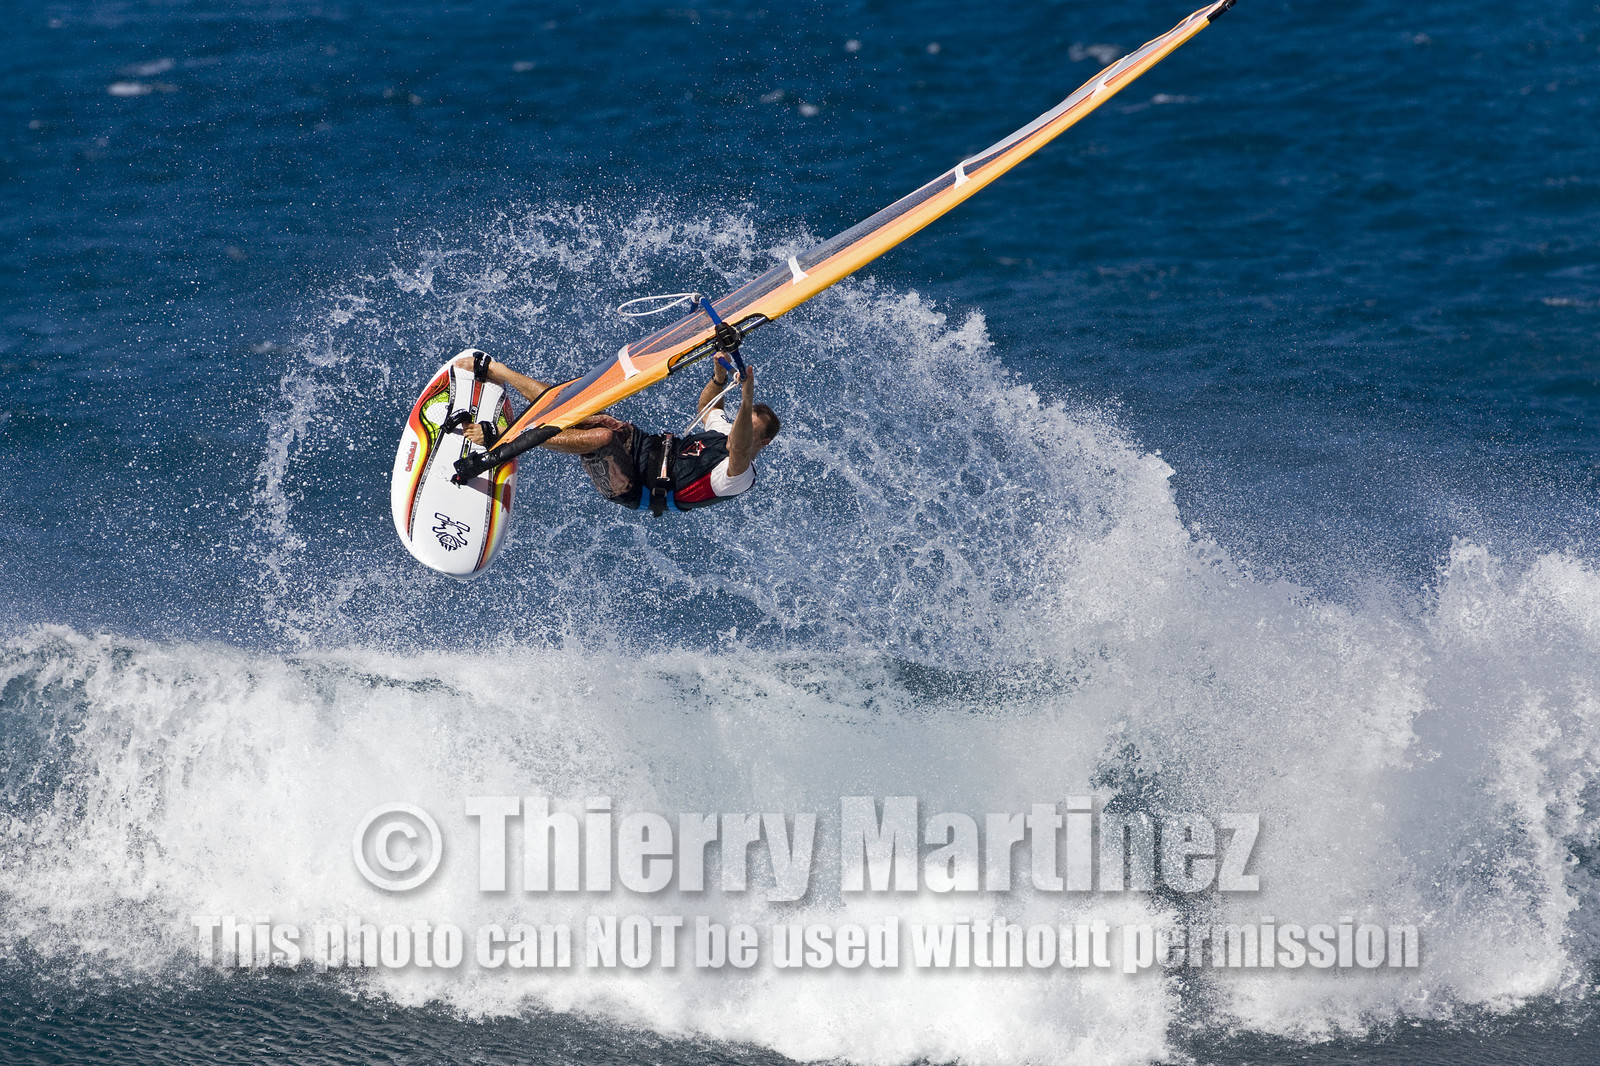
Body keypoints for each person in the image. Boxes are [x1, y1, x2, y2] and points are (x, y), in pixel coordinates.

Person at [458, 354, 779, 514]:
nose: (741, 426)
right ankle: (499, 371)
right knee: (583, 408)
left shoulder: (740, 475)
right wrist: (720, 376)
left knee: (601, 439)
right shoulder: (725, 430)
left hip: (634, 488)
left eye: (750, 428)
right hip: (645, 447)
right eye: (742, 419)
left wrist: (747, 396)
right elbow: (709, 406)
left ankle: (500, 438)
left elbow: (737, 448)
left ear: (762, 443)